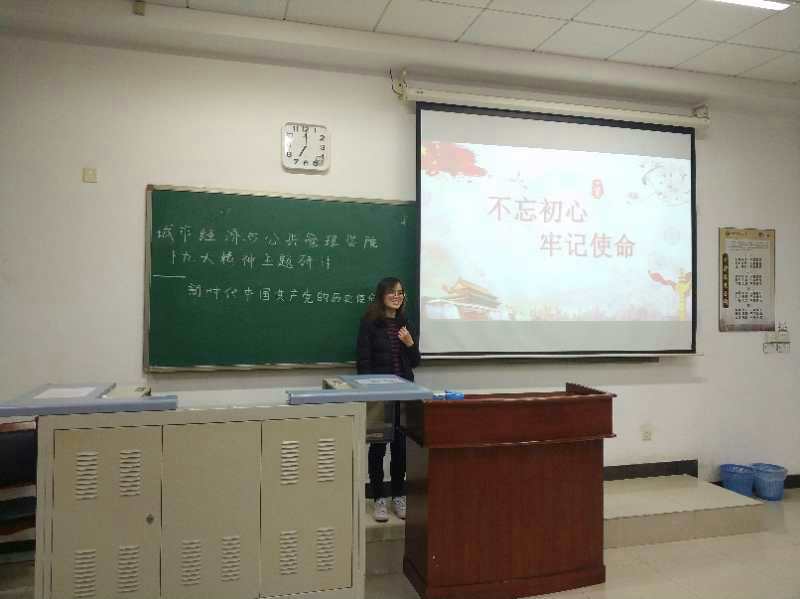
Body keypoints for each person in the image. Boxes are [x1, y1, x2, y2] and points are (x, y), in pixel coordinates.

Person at [356, 277, 420, 522]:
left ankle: (398, 496)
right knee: (378, 446)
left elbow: (415, 362)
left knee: (401, 448)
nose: (397, 296)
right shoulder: (370, 323)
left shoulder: (406, 323)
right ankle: (378, 498)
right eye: (392, 292)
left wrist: (410, 344)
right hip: (379, 394)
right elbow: (363, 361)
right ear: (381, 295)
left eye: (400, 292)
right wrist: (369, 392)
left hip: (404, 393)